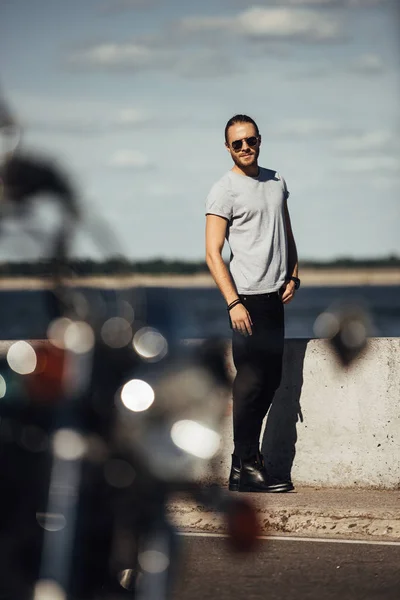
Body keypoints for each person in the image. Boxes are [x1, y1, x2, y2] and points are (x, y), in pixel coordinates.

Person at [205, 114, 300, 493]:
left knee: (271, 381)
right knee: (250, 382)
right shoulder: (224, 189)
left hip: (274, 297)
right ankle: (246, 464)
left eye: (251, 140)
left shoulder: (276, 182)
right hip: (244, 300)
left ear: (260, 140)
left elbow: (286, 232)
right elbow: (213, 253)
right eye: (237, 143)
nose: (246, 148)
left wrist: (293, 274)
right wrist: (233, 303)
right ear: (228, 148)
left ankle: (242, 466)